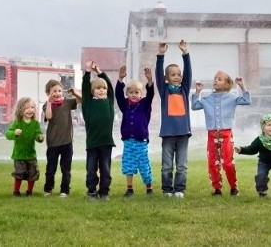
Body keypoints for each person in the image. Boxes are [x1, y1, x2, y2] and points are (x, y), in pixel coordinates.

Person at [191, 71, 251, 196]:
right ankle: (216, 188)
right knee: (212, 162)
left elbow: (246, 100)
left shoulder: (232, 97)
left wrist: (242, 86)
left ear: (227, 84)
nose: (215, 80)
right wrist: (198, 92)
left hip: (226, 134)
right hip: (212, 135)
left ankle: (233, 187)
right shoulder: (207, 98)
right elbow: (195, 106)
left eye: (219, 79)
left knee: (228, 163)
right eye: (215, 78)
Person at [155, 40, 192, 198]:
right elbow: (157, 74)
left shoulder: (184, 89)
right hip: (168, 134)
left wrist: (185, 53)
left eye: (179, 75)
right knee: (166, 166)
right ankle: (167, 189)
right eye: (173, 75)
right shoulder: (165, 91)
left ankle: (179, 189)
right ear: (166, 77)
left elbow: (188, 73)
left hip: (183, 133)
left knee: (182, 165)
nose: (177, 77)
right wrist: (160, 55)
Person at [116, 65, 155, 197]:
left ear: (140, 94)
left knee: (144, 165)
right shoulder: (125, 105)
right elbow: (118, 95)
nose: (134, 95)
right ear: (127, 93)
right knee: (128, 165)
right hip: (128, 141)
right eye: (131, 92)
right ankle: (129, 189)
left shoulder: (144, 104)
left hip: (141, 141)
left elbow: (150, 95)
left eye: (137, 92)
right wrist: (120, 79)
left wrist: (149, 81)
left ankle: (149, 187)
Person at [81, 59, 116, 200]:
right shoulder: (88, 104)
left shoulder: (109, 102)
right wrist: (88, 71)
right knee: (91, 170)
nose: (102, 90)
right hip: (92, 144)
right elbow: (84, 87)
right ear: (92, 92)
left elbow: (110, 87)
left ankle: (104, 192)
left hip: (106, 143)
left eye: (104, 88)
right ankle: (91, 191)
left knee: (106, 171)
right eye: (98, 88)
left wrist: (99, 72)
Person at [42, 79, 81, 198]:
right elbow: (48, 116)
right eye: (54, 91)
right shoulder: (46, 105)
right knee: (51, 168)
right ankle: (48, 189)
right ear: (48, 93)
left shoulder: (67, 102)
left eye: (59, 90)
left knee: (66, 169)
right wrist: (49, 103)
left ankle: (65, 190)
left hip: (67, 143)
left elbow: (81, 100)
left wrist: (74, 93)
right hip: (53, 143)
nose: (58, 93)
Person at [5, 97, 45, 196]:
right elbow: (8, 134)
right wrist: (14, 133)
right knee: (19, 174)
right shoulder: (17, 123)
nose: (30, 110)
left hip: (31, 155)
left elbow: (37, 134)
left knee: (33, 173)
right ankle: (16, 191)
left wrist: (40, 137)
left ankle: (29, 191)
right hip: (19, 155)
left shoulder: (35, 123)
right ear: (20, 110)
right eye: (27, 108)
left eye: (32, 107)